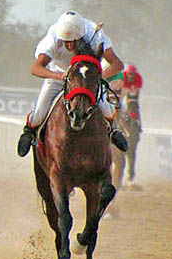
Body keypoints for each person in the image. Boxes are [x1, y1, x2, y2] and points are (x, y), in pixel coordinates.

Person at [17, 11, 128, 157]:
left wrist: (95, 77)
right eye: (65, 41)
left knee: (107, 111)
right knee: (39, 113)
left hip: (88, 77)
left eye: (72, 41)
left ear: (81, 36)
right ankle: (29, 132)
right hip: (59, 75)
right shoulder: (53, 37)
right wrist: (60, 75)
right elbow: (35, 68)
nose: (68, 45)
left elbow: (117, 64)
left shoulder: (95, 34)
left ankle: (112, 130)